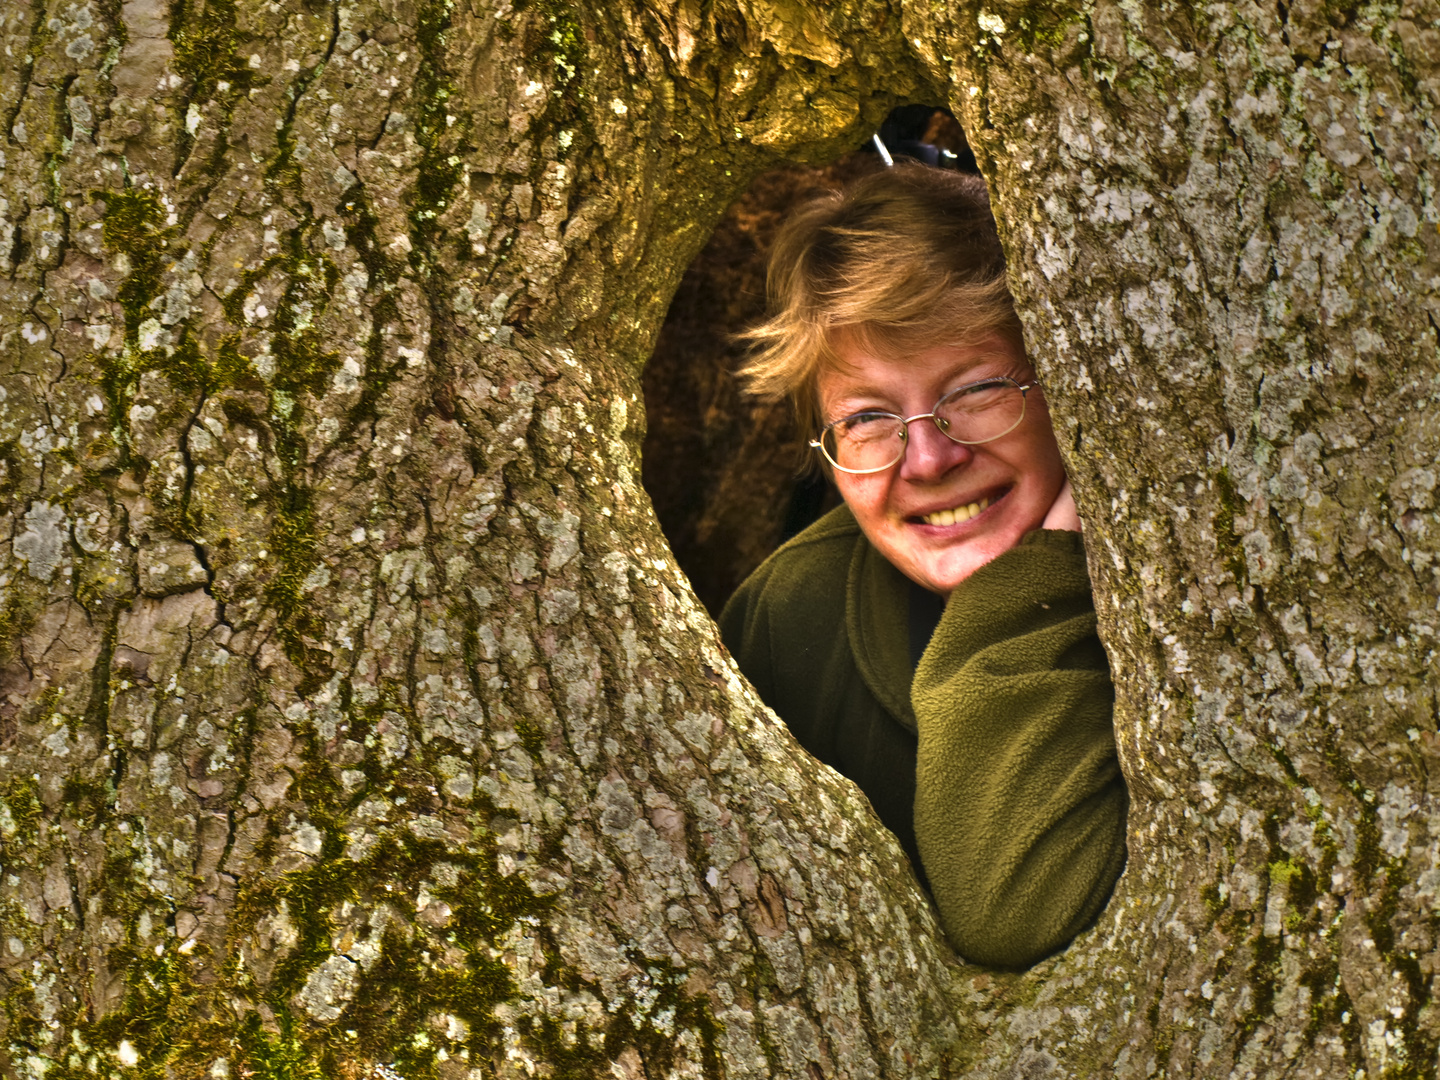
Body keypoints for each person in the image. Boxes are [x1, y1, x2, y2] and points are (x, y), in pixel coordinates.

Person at [718, 163, 1128, 970]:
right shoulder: (786, 620)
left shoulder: (1184, 588)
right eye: (868, 418)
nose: (930, 459)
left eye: (975, 390)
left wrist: (1030, 592)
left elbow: (1017, 911)